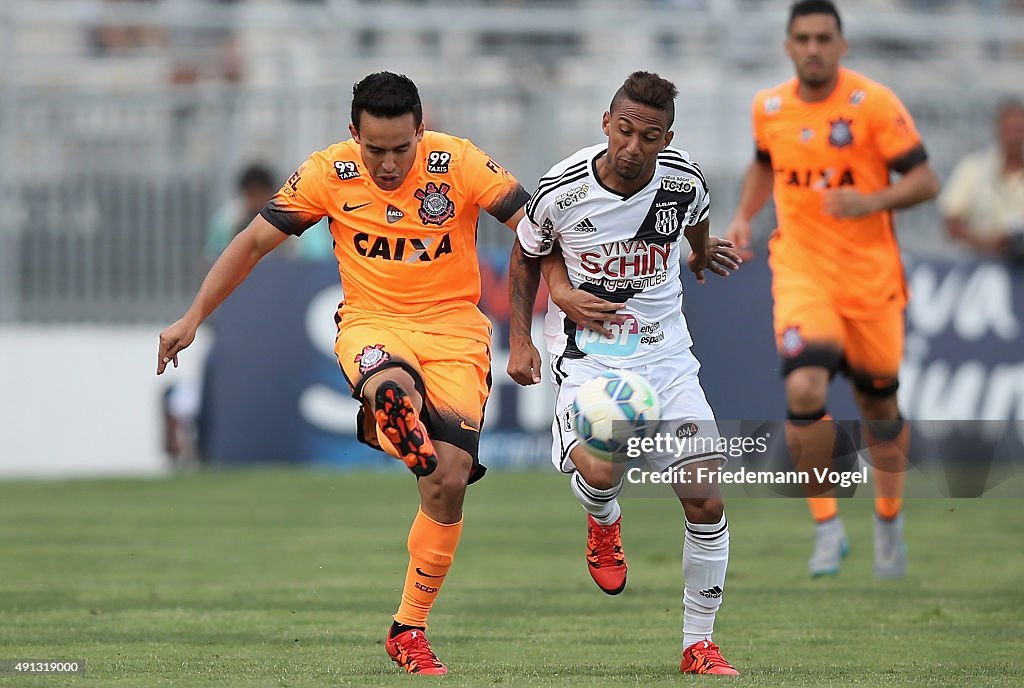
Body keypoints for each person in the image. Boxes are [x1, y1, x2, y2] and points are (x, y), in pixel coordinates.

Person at [157, 72, 531, 675]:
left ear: (421, 132)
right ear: (353, 133)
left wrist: (534, 323)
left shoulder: (458, 163)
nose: (388, 164)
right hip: (372, 322)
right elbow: (253, 243)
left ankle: (408, 627)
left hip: (456, 328)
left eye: (401, 149)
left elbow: (534, 227)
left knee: (449, 479)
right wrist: (192, 316)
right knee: (390, 384)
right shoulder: (328, 173)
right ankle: (387, 411)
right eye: (375, 149)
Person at [508, 71, 743, 675]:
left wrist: (699, 252)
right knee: (601, 463)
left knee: (704, 496)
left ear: (667, 138)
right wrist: (520, 341)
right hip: (592, 356)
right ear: (606, 122)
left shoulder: (683, 181)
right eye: (625, 129)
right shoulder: (561, 190)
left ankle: (698, 644)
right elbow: (526, 254)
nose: (633, 146)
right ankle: (603, 518)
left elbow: (696, 221)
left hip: (666, 357)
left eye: (650, 135)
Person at [725, 0, 940, 579]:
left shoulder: (873, 104)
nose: (813, 48)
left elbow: (924, 179)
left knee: (879, 405)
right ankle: (826, 527)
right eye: (803, 38)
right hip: (801, 269)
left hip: (870, 279)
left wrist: (871, 200)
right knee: (804, 388)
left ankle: (888, 520)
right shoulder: (768, 107)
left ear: (842, 46)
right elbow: (764, 163)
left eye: (824, 38)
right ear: (789, 46)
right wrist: (745, 214)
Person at [941, 99, 1024, 264]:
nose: (1015, 137)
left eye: (1020, 130)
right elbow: (952, 223)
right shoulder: (973, 168)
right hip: (980, 264)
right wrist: (988, 243)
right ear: (998, 130)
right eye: (1010, 130)